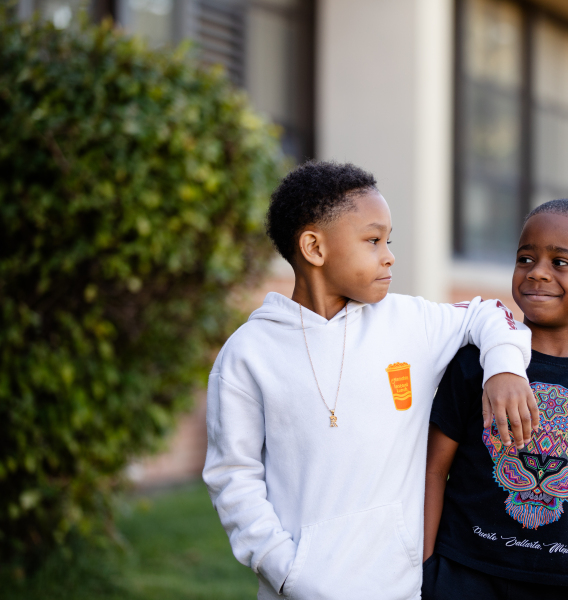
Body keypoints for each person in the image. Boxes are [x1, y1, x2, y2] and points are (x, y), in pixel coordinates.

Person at [203, 161, 540, 600]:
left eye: (389, 240)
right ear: (314, 248)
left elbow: (489, 314)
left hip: (398, 586)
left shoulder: (407, 322)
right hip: (299, 589)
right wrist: (284, 569)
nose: (389, 255)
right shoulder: (248, 355)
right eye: (373, 240)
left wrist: (505, 369)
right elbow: (233, 476)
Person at [422, 199, 568, 600]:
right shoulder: (476, 366)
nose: (538, 272)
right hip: (465, 573)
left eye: (560, 262)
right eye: (525, 258)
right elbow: (432, 470)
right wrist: (424, 566)